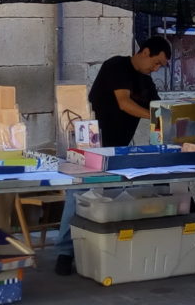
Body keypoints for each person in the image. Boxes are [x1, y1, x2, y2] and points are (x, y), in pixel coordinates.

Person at [55, 36, 171, 275]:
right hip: (91, 145)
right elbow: (124, 103)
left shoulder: (146, 81)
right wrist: (155, 118)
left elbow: (160, 109)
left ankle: (108, 245)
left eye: (161, 66)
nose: (156, 68)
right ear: (146, 51)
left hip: (119, 148)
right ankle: (64, 253)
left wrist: (172, 121)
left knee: (125, 194)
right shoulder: (116, 66)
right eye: (157, 62)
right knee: (79, 194)